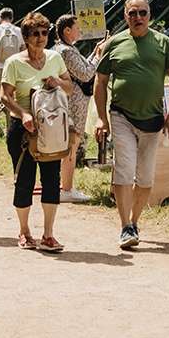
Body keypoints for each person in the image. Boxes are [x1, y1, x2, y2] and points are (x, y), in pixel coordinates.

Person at [93, 0, 169, 249]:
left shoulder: (163, 43)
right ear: (125, 16)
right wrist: (102, 118)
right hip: (121, 114)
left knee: (145, 177)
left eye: (142, 13)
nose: (137, 18)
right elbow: (100, 82)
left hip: (153, 119)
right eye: (132, 13)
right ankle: (125, 226)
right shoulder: (115, 43)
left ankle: (135, 220)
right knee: (124, 168)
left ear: (150, 15)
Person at [0, 12, 75, 251]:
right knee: (24, 181)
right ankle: (24, 232)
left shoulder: (55, 58)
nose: (41, 38)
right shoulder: (14, 63)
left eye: (44, 33)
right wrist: (23, 114)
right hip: (22, 130)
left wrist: (58, 82)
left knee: (52, 180)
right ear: (26, 37)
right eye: (35, 33)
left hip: (52, 129)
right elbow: (4, 96)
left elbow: (70, 88)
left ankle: (49, 235)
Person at [54, 14, 98, 202]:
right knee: (72, 146)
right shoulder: (67, 51)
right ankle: (68, 188)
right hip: (74, 104)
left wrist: (93, 54)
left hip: (65, 103)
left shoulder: (62, 49)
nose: (80, 31)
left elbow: (79, 67)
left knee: (66, 146)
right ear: (67, 31)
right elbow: (86, 74)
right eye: (77, 27)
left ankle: (64, 186)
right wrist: (98, 57)